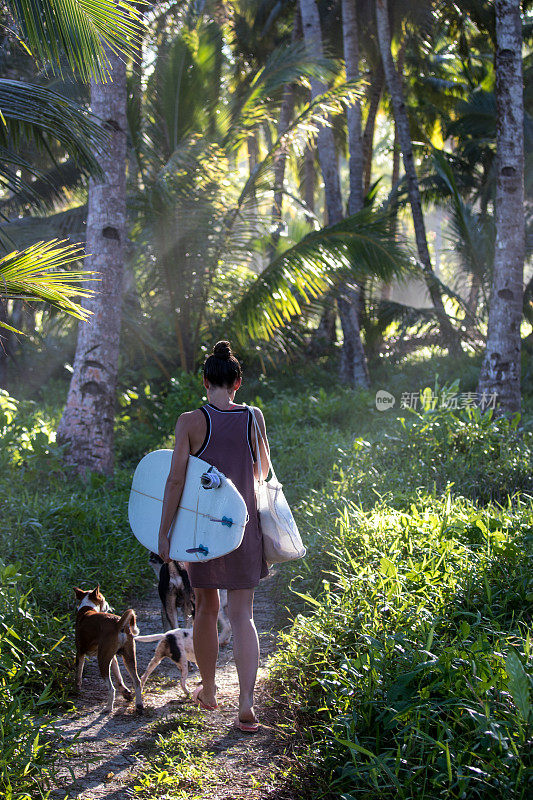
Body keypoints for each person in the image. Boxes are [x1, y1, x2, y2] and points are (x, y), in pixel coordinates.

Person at [157, 340, 269, 732]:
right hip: (241, 528)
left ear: (204, 381)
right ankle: (246, 703)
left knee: (205, 609)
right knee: (243, 615)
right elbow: (262, 473)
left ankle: (209, 691)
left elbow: (174, 481)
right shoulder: (254, 418)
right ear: (237, 382)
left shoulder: (189, 421)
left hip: (200, 531)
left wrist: (164, 532)